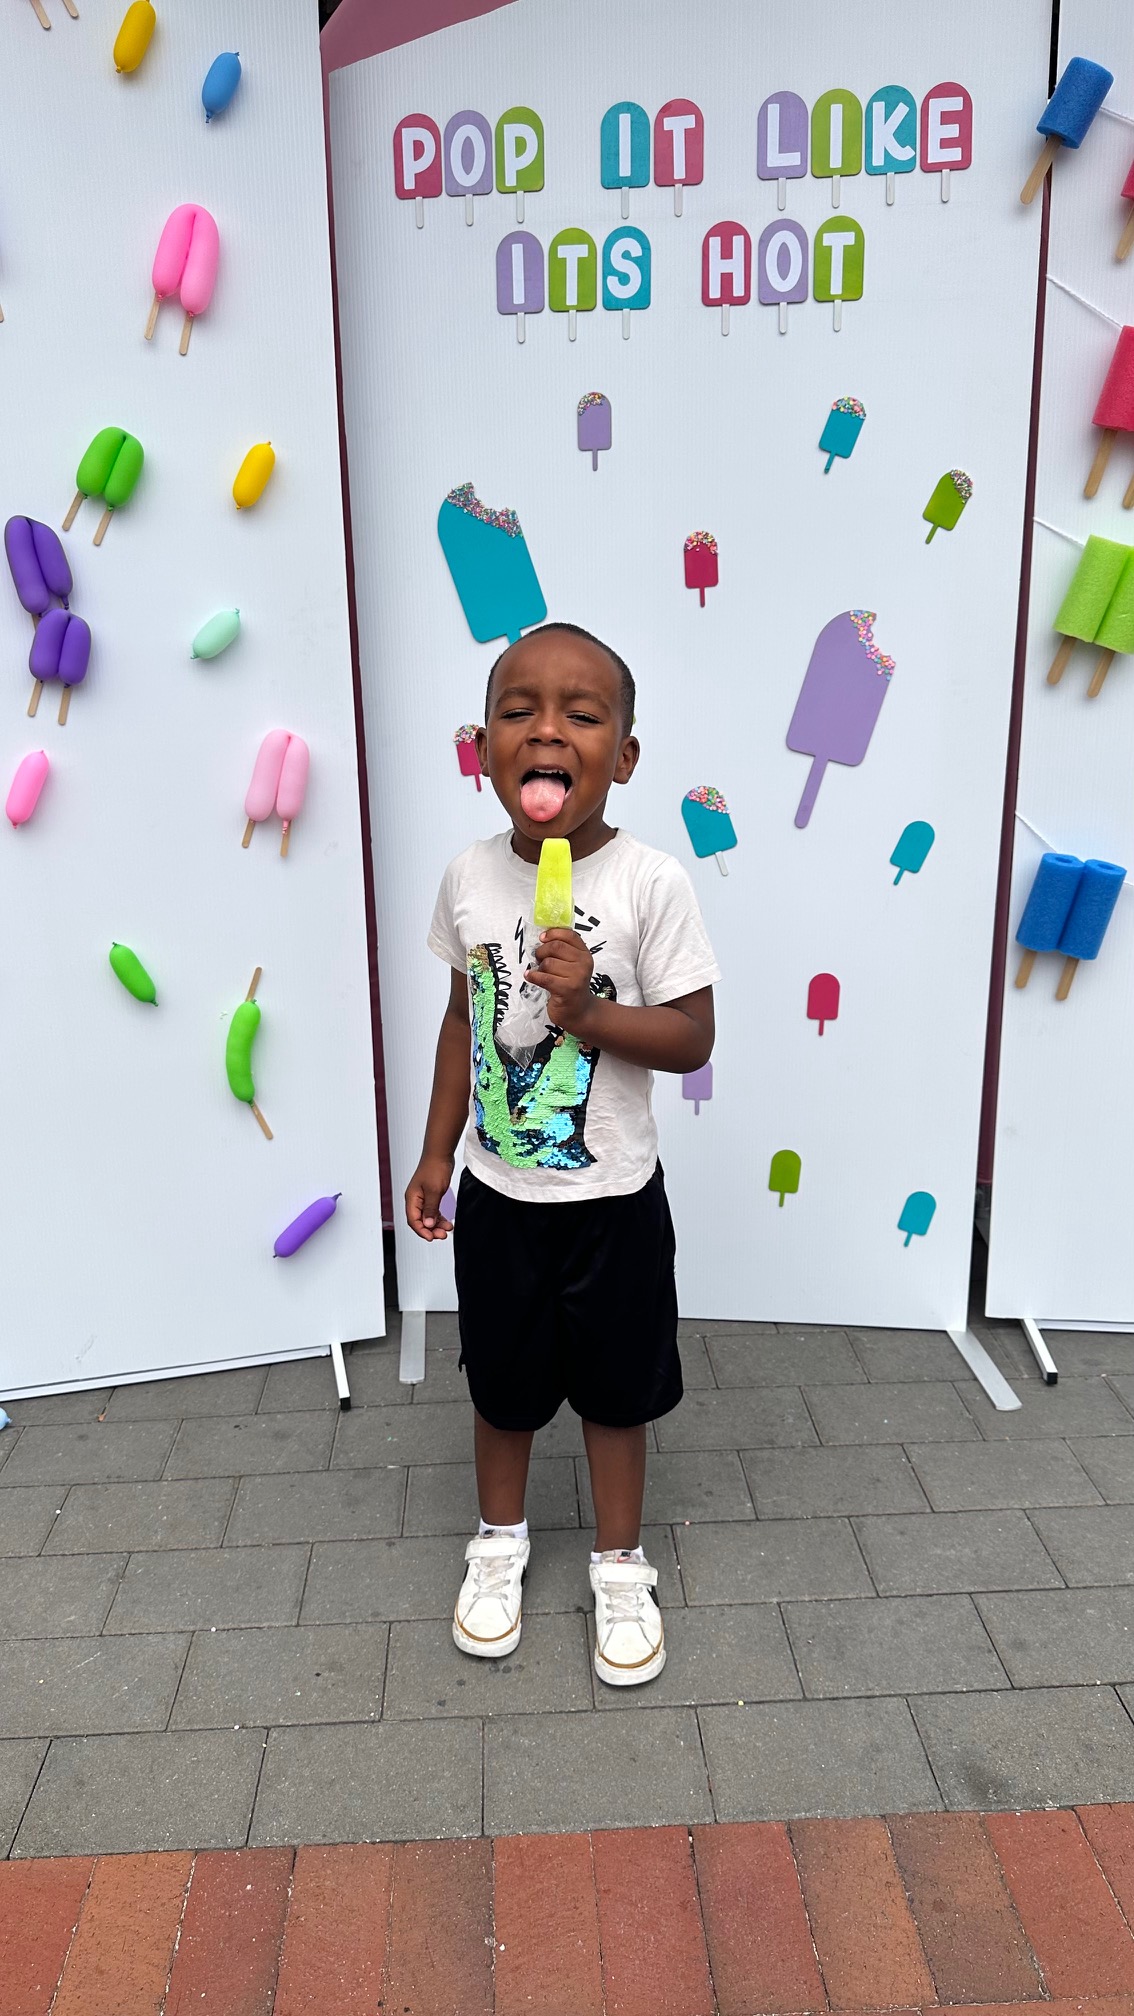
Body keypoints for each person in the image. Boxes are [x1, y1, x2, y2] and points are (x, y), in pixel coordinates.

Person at [406, 622, 719, 1686]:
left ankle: (620, 1564)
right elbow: (461, 1023)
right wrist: (437, 1154)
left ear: (623, 756)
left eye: (582, 715)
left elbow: (691, 1038)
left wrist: (586, 1007)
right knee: (502, 1385)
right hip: (499, 1194)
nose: (547, 729)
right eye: (518, 709)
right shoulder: (466, 878)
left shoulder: (651, 884)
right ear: (485, 748)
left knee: (617, 1390)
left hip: (612, 1198)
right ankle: (498, 1544)